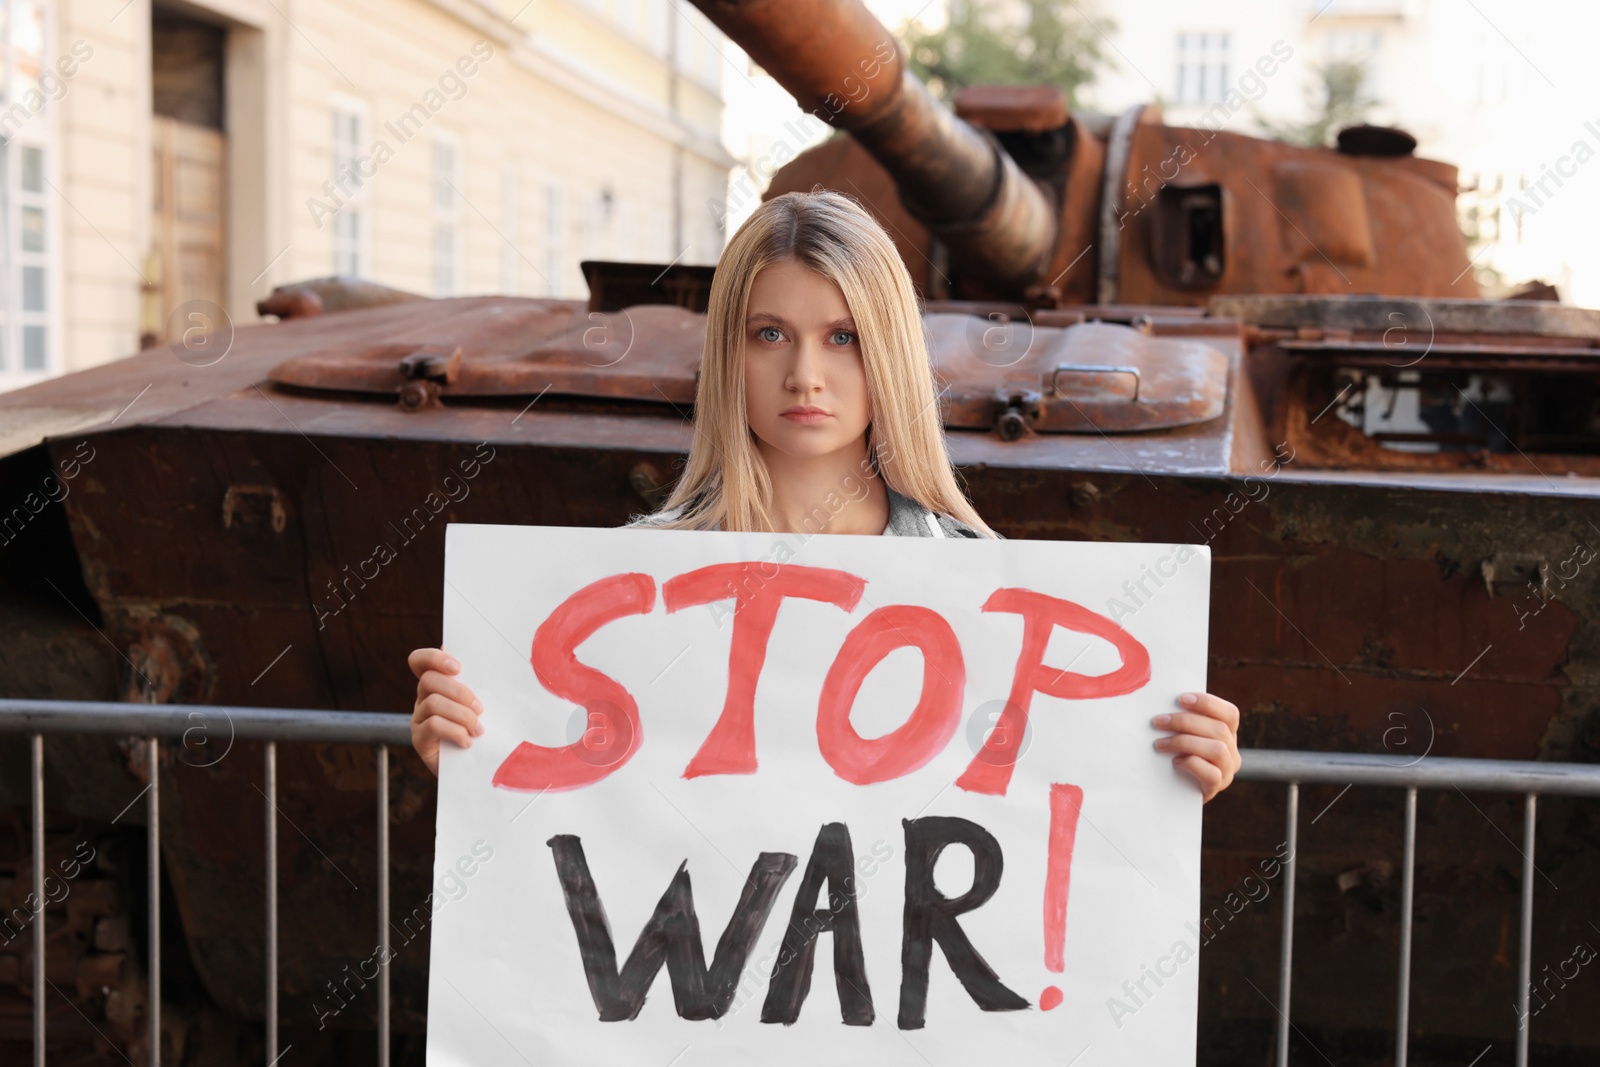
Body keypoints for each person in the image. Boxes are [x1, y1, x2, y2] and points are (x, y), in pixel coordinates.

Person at [408, 190, 1241, 801]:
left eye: (842, 338)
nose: (805, 374)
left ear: (890, 353)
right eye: (770, 334)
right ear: (729, 353)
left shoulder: (984, 592)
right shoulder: (631, 577)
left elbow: (1044, 812)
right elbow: (582, 806)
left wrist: (1167, 776)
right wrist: (475, 758)